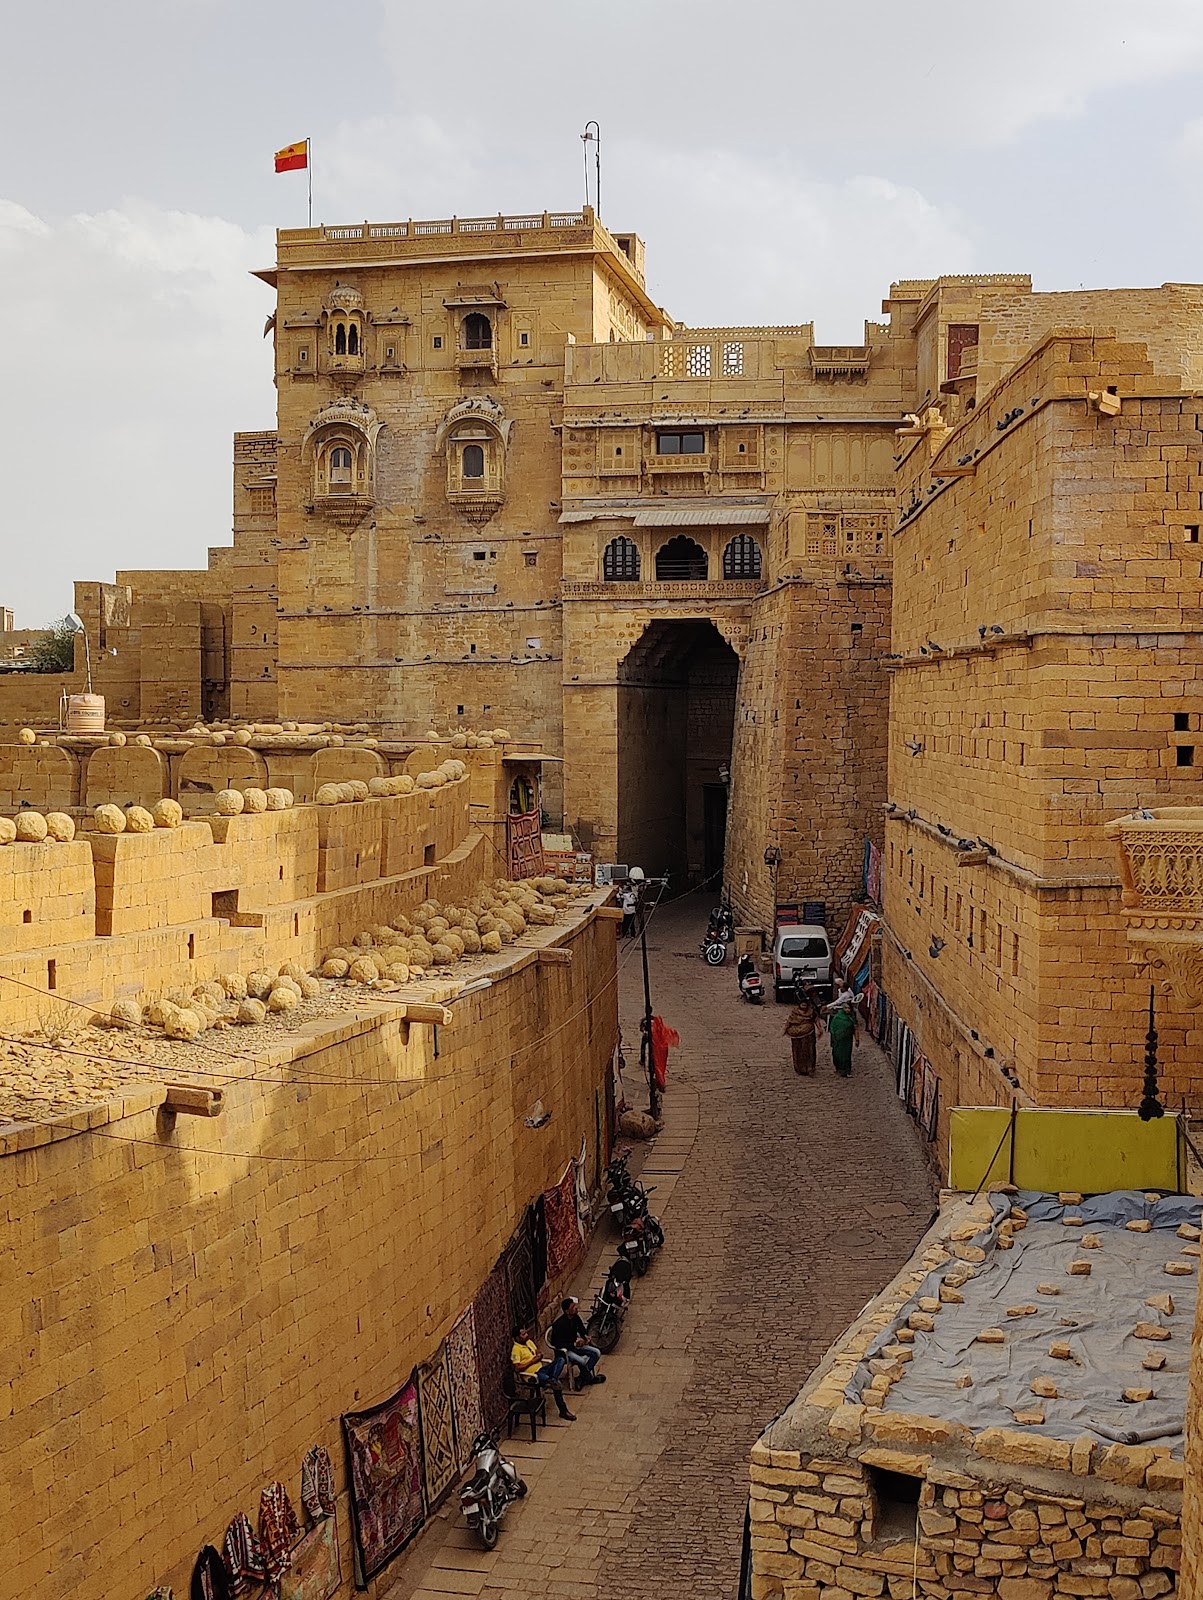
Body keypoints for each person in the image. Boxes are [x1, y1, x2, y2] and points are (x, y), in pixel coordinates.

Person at [511, 1324, 576, 1420]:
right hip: (533, 1376)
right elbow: (517, 1368)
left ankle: (552, 1379)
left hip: (542, 1370)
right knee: (555, 1385)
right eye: (523, 1334)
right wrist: (532, 1361)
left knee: (560, 1360)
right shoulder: (515, 1350)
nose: (526, 1335)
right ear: (517, 1337)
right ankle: (563, 1410)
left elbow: (538, 1351)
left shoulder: (529, 1342)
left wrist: (539, 1356)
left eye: (526, 1333)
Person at [548, 1297, 606, 1385]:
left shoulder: (575, 1318)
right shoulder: (559, 1324)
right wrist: (574, 1344)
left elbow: (581, 1329)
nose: (576, 1308)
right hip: (566, 1351)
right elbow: (556, 1343)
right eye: (573, 1307)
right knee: (582, 1361)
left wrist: (585, 1337)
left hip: (576, 1347)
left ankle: (581, 1379)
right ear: (567, 1311)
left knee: (596, 1353)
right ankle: (587, 1378)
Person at [783, 987, 823, 1076]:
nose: (804, 1007)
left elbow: (816, 1020)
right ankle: (800, 1068)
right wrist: (786, 1029)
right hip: (797, 1037)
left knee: (809, 1051)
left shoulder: (811, 1012)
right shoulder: (795, 1013)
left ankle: (810, 1068)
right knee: (798, 1051)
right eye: (802, 1005)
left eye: (805, 1005)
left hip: (808, 1036)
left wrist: (820, 1030)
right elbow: (789, 1021)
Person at [828, 1000, 860, 1078]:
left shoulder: (852, 1017)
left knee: (846, 1055)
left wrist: (857, 1039)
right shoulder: (838, 1017)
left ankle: (846, 1070)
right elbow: (833, 1027)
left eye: (849, 1008)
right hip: (837, 1040)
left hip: (847, 1041)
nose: (847, 1010)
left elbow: (855, 1029)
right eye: (845, 1008)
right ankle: (838, 1068)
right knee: (836, 1054)